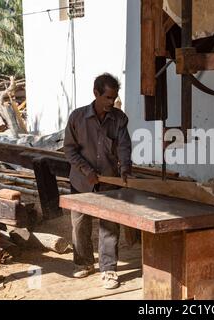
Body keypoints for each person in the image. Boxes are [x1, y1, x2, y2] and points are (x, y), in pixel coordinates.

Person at [64, 73, 132, 289]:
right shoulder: (77, 117)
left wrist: (126, 168)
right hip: (81, 182)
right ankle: (84, 263)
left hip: (109, 180)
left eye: (114, 98)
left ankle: (109, 269)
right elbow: (69, 150)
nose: (112, 103)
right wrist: (86, 170)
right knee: (80, 224)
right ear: (96, 94)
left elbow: (123, 146)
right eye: (108, 98)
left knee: (109, 225)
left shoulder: (119, 119)